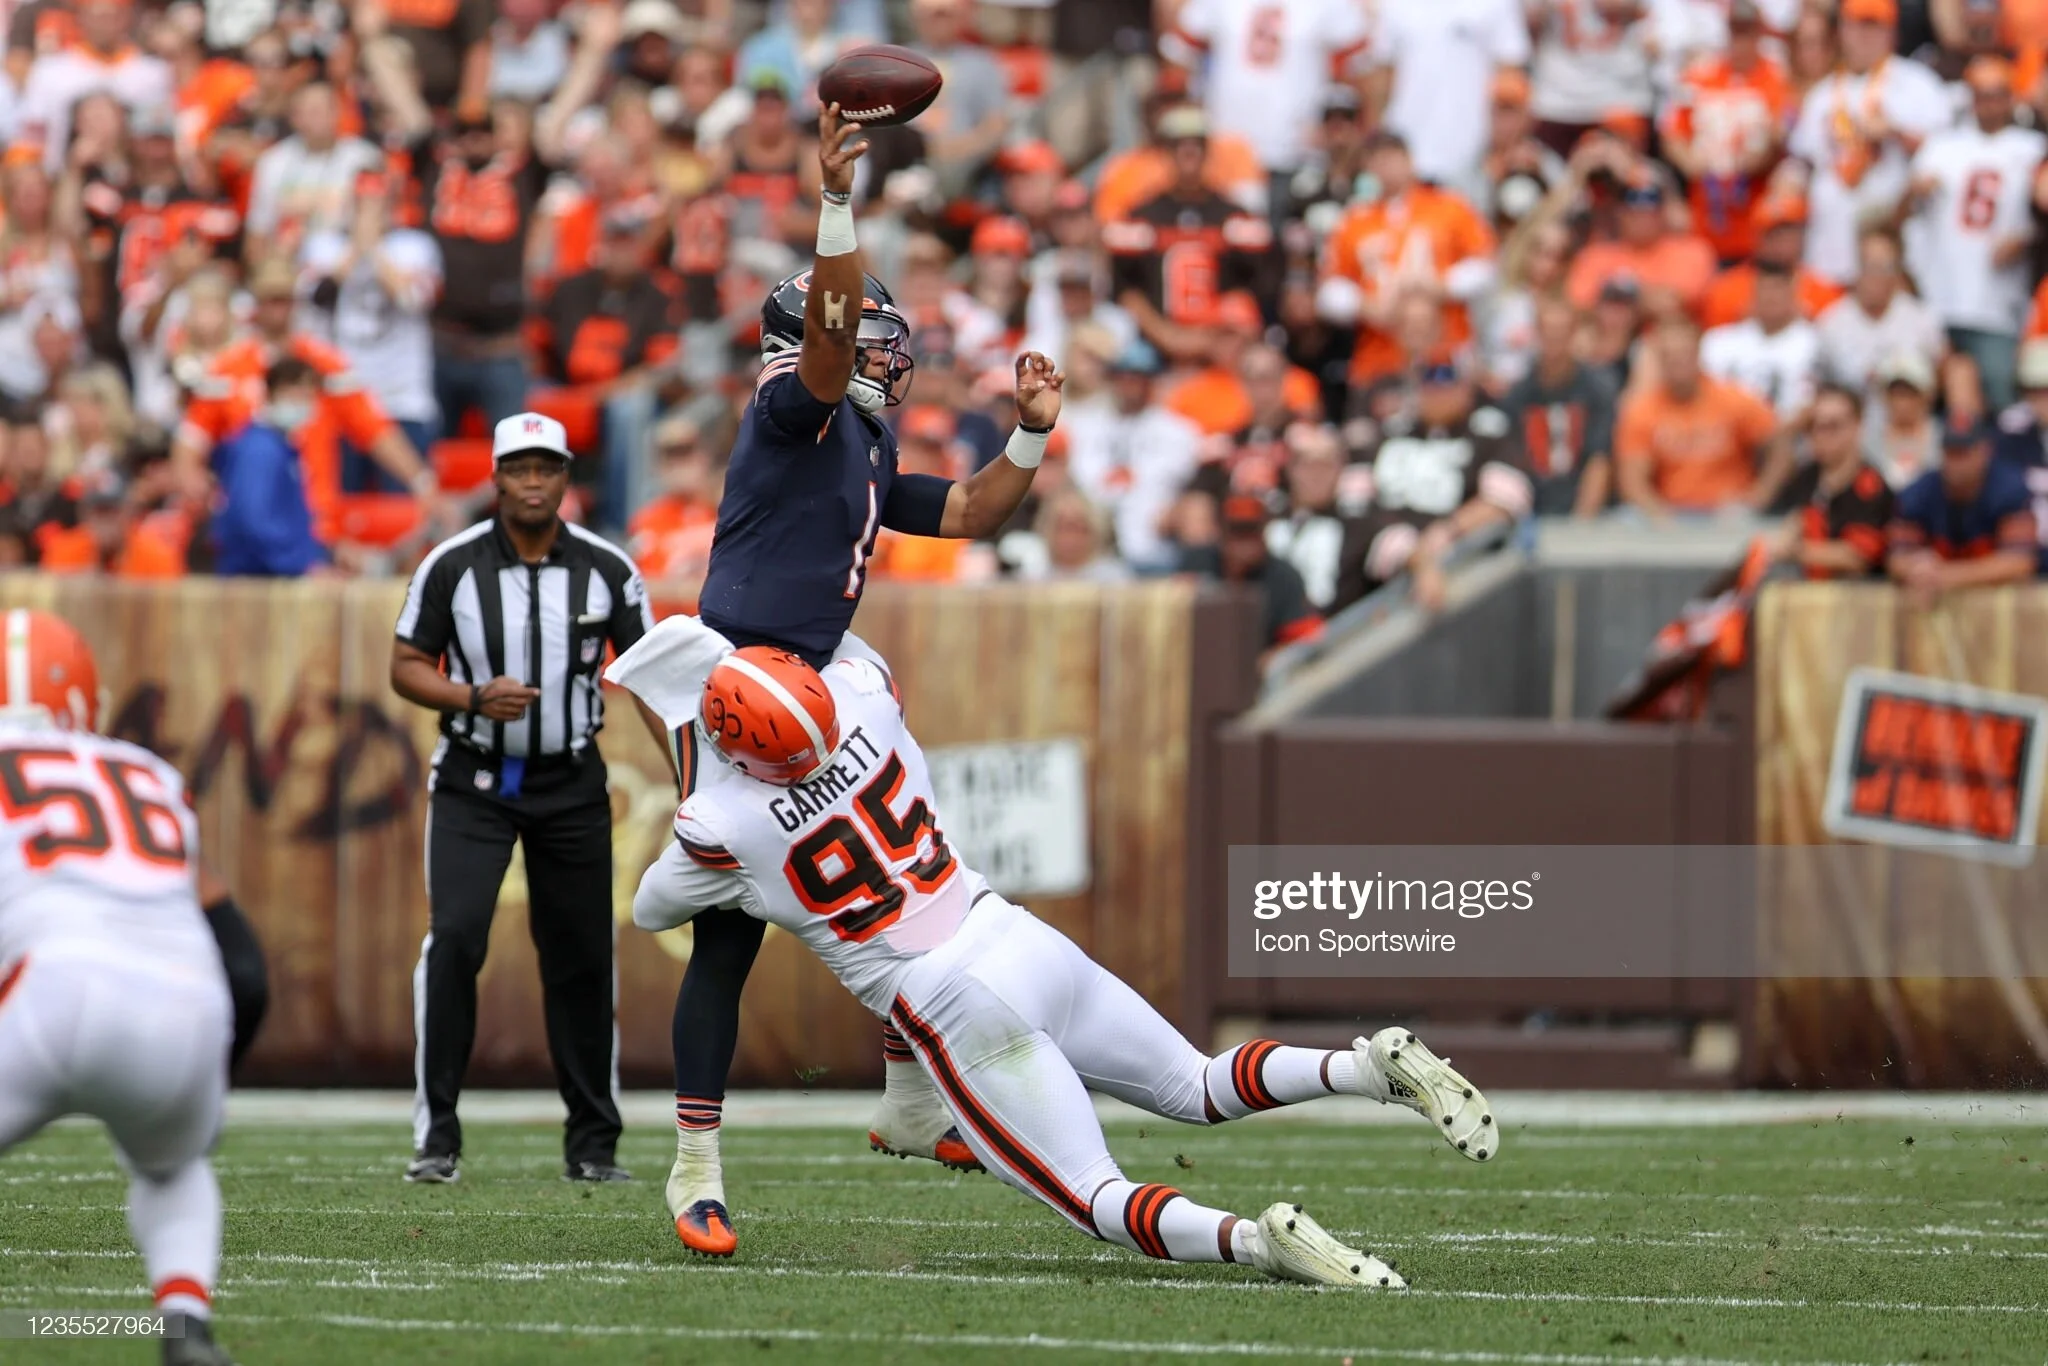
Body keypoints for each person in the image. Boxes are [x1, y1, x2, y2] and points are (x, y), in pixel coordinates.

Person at [612, 630, 1499, 1286]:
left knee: (1091, 1196)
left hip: (955, 1002)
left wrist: (707, 751)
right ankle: (1366, 1067)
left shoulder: (721, 823)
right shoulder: (867, 701)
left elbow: (654, 907)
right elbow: (838, 636)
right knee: (1196, 1084)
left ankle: (1260, 1242)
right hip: (1017, 935)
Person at [659, 103, 1063, 1259]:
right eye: (867, 332)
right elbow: (834, 338)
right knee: (731, 935)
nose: (892, 350)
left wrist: (1030, 435)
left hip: (827, 678)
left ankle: (906, 1099)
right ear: (811, 339)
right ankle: (694, 1167)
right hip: (741, 691)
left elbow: (979, 511)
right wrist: (835, 202)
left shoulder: (869, 444)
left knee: (910, 874)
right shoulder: (792, 409)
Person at [389, 411, 664, 1186]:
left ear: (567, 477)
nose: (533, 482)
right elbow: (406, 663)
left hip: (571, 782)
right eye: (520, 468)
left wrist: (690, 772)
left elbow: (647, 671)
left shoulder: (609, 569)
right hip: (474, 779)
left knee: (581, 958)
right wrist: (472, 695)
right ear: (496, 477)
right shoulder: (452, 565)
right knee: (457, 940)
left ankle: (593, 1146)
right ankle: (436, 1134)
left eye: (547, 468)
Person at [0, 609, 235, 1366]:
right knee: (172, 1168)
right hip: (194, 1000)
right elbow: (221, 937)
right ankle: (184, 1324)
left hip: (58, 990)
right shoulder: (151, 774)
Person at [1887, 416, 2041, 604]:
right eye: (1950, 452)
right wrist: (1916, 567)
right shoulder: (1918, 493)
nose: (1956, 462)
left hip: (1993, 605)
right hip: (1935, 597)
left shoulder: (2010, 489)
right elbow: (1896, 558)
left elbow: (2020, 562)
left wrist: (1946, 576)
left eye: (1963, 452)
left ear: (1985, 451)